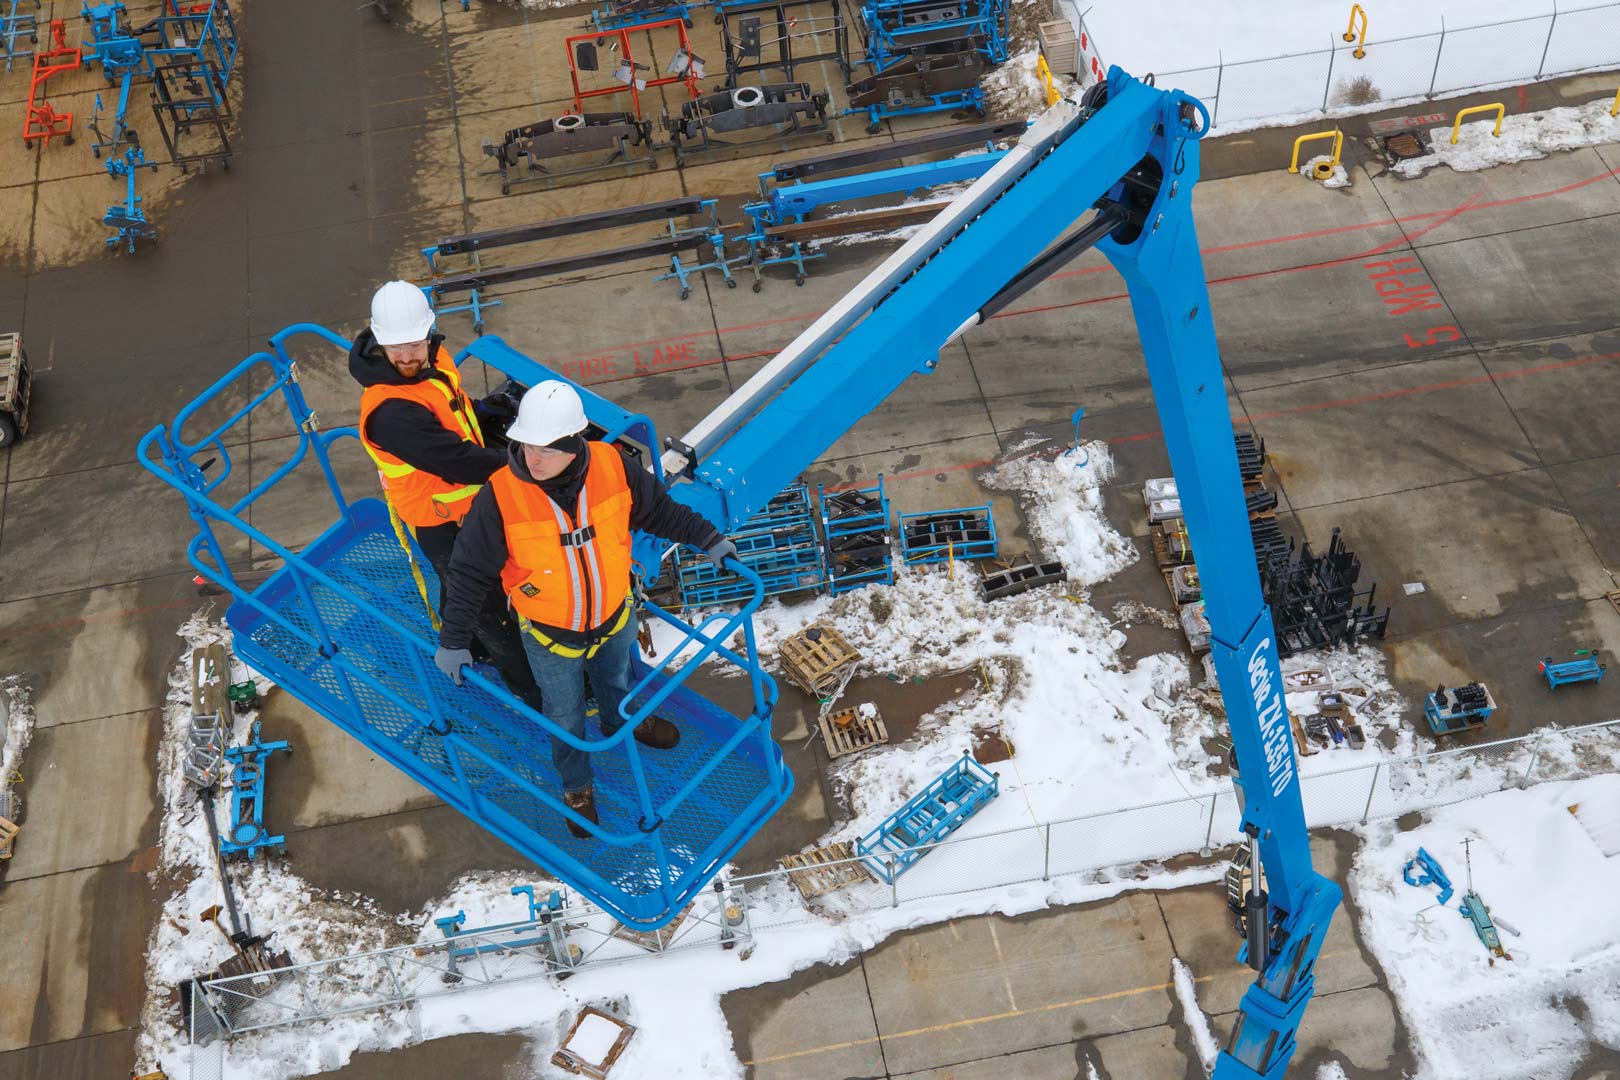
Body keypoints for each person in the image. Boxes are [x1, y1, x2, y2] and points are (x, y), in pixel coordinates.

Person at [432, 381, 737, 838]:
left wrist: (709, 539)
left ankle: (624, 722)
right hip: (550, 634)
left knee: (617, 681)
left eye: (547, 450)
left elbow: (661, 513)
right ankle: (577, 787)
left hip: (613, 616)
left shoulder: (613, 468)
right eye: (526, 445)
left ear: (575, 444)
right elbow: (470, 572)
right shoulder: (500, 496)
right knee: (564, 713)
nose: (533, 459)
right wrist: (454, 640)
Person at [351, 280, 541, 713]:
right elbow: (457, 461)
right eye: (396, 348)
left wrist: (479, 410)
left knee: (458, 588)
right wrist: (525, 463)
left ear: (429, 333)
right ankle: (530, 691)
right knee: (488, 608)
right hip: (441, 521)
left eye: (415, 344)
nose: (407, 357)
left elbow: (447, 404)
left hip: (464, 508)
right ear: (379, 342)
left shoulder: (432, 359)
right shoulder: (390, 412)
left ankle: (470, 643)